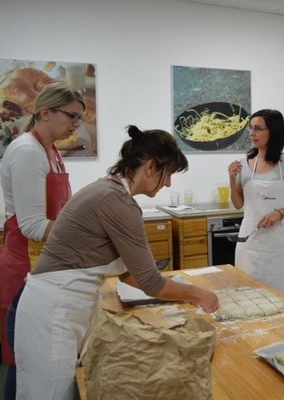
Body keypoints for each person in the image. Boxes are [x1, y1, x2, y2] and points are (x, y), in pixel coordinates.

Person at [13, 126, 220, 399]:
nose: (168, 183)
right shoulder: (117, 201)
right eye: (167, 174)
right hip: (54, 310)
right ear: (150, 167)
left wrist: (179, 293)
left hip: (62, 305)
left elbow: (128, 275)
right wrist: (198, 293)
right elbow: (149, 282)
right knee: (49, 395)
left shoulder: (109, 191)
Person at [0, 83, 86, 398]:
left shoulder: (52, 151)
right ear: (45, 112)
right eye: (72, 116)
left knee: (39, 359)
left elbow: (63, 209)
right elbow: (33, 225)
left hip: (43, 263)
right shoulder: (27, 151)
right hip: (23, 266)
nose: (76, 125)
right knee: (24, 361)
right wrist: (84, 235)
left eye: (79, 119)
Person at [228, 109, 284, 301]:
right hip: (251, 245)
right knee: (248, 298)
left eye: (258, 128)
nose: (252, 133)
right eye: (251, 128)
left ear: (273, 131)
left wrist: (279, 213)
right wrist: (232, 179)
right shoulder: (244, 164)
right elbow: (239, 204)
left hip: (279, 246)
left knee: (283, 298)